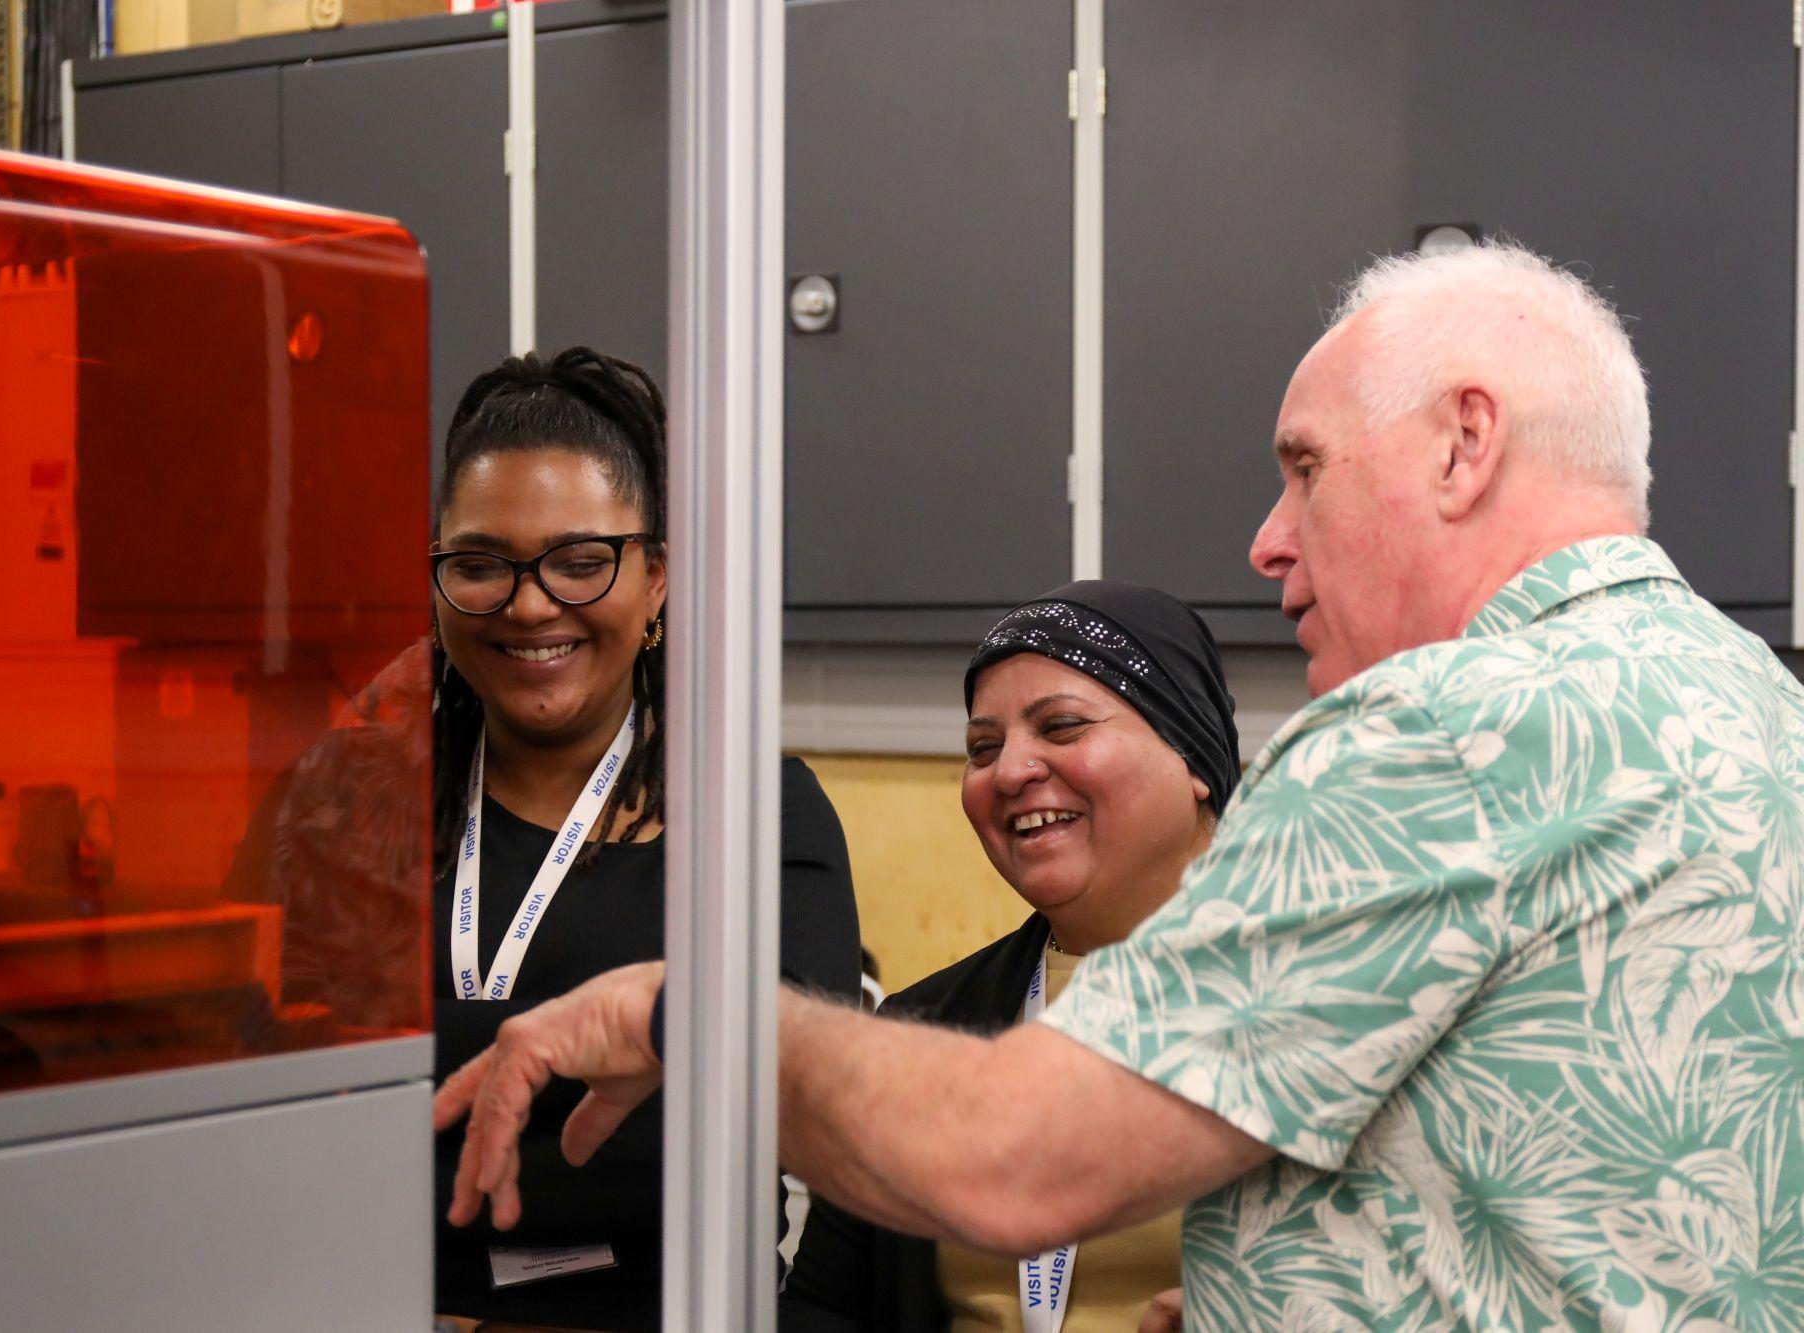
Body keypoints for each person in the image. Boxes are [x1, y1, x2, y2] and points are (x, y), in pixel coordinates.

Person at [436, 245, 1804, 1329]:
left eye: (1306, 469)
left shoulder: (1440, 731)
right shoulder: (1754, 703)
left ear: (1465, 443)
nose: (1269, 540)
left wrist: (682, 1014)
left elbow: (1011, 1160)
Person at [428, 347, 861, 1330]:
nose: (530, 602)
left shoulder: (754, 820)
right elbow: (262, 1105)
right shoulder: (351, 808)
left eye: (581, 561)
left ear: (656, 576)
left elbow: (813, 1120)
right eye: (480, 564)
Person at [781, 581, 1242, 1332]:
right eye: (982, 748)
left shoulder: (1323, 996)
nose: (1009, 770)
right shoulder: (921, 1024)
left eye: (1060, 726)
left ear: (1192, 757)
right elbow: (825, 1306)